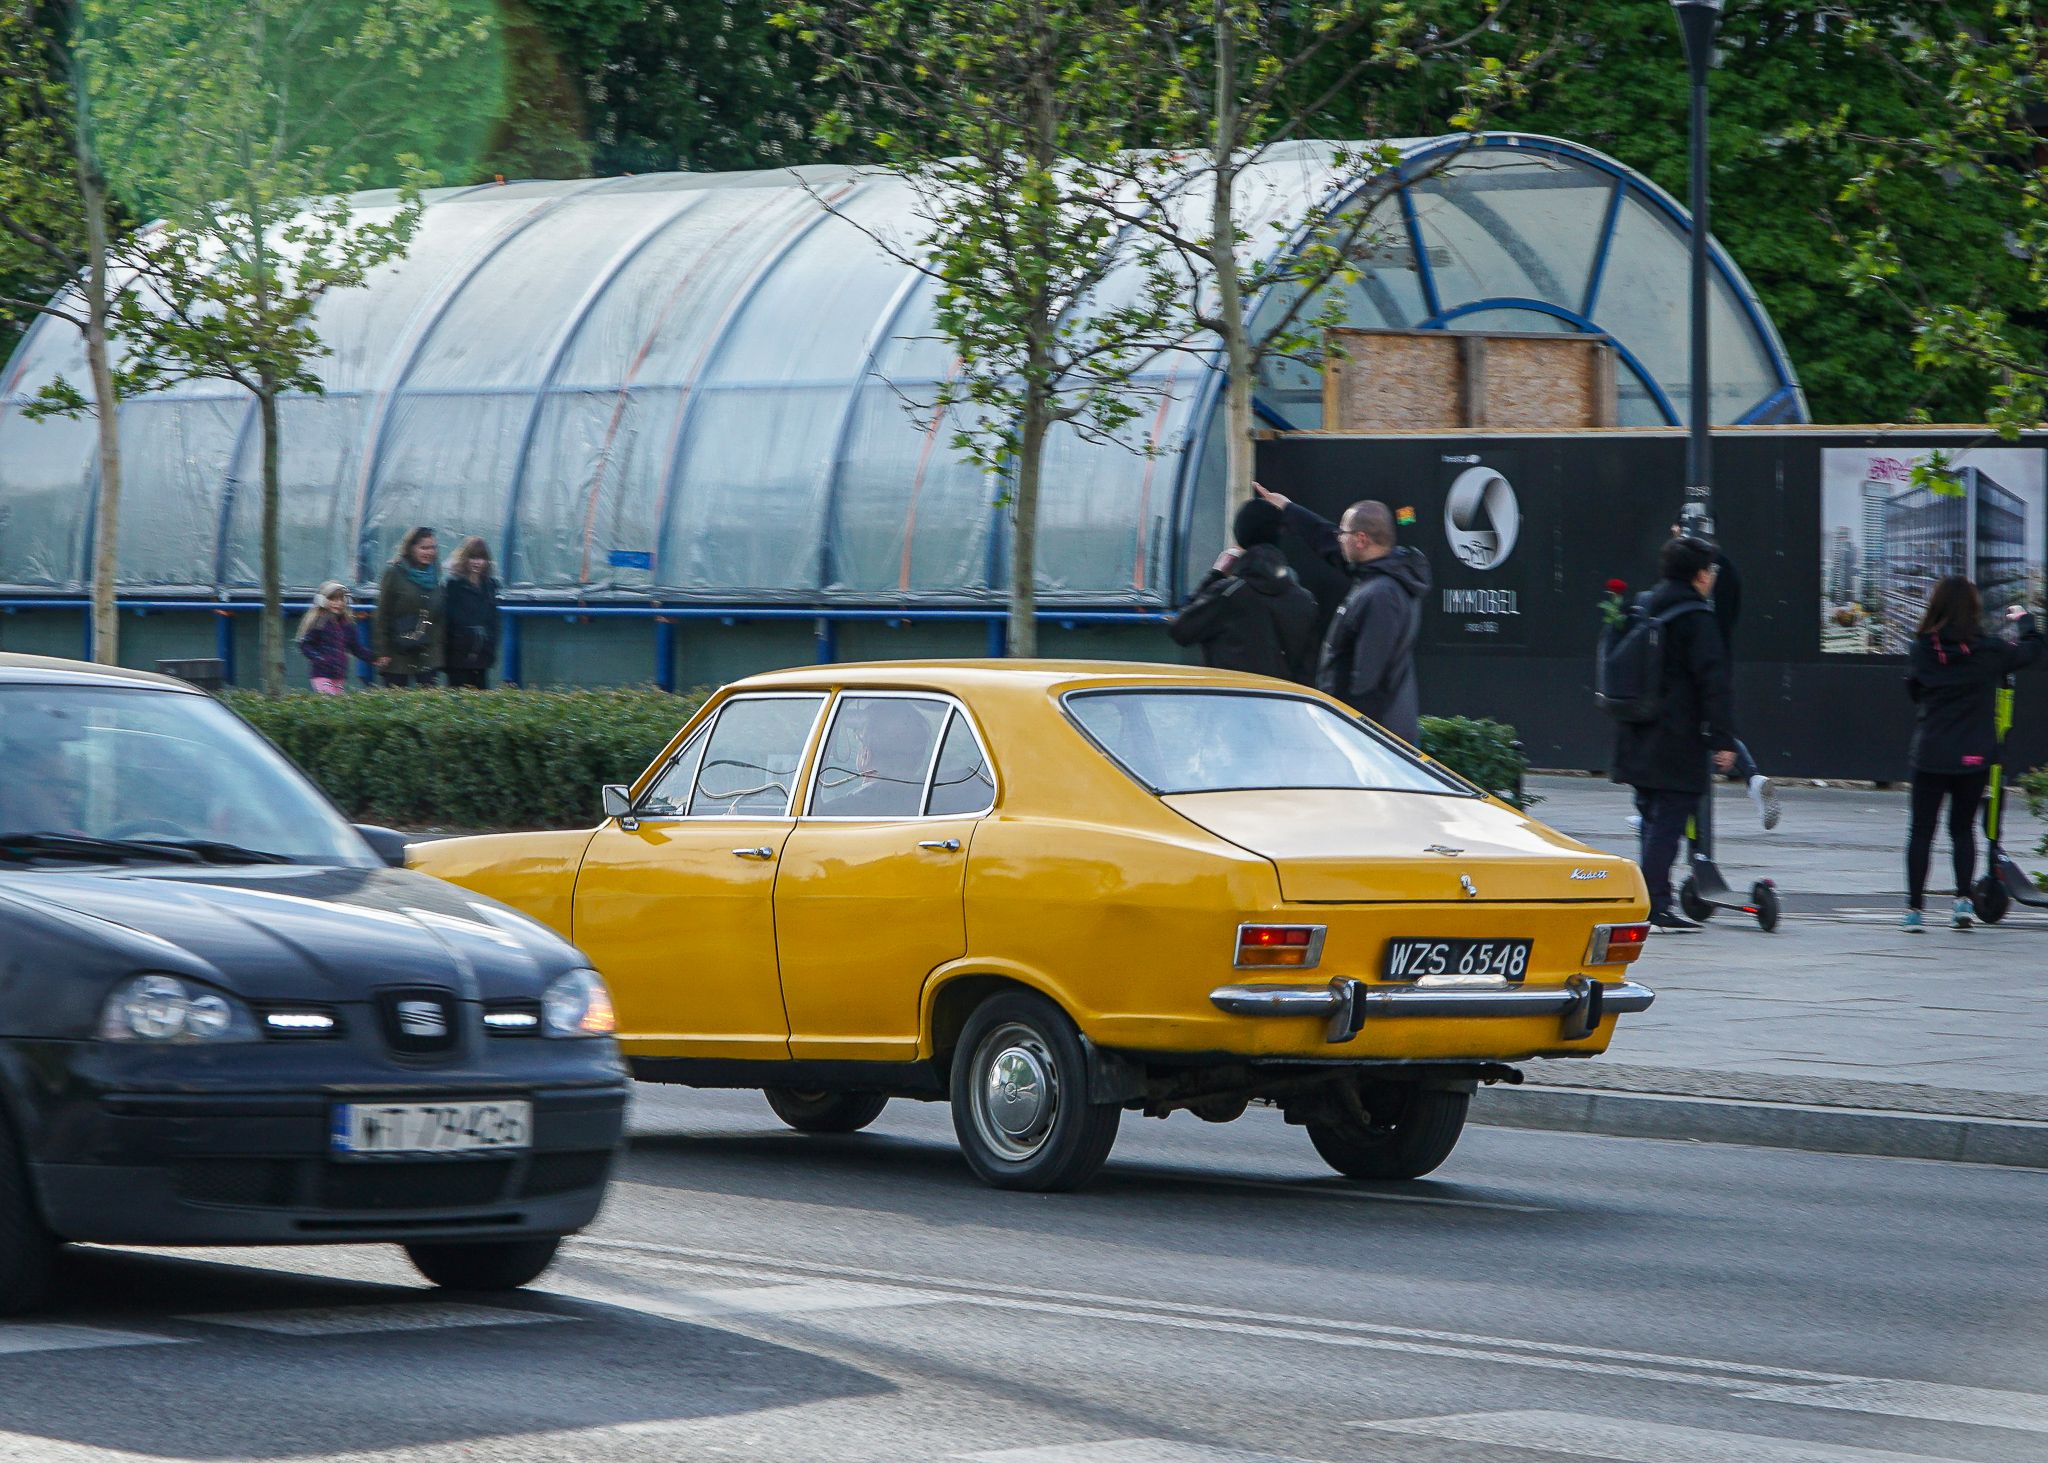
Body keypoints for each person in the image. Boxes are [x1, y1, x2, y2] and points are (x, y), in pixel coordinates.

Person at [1900, 576, 2042, 932]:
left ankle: (1915, 910)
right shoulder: (1988, 651)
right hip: (1974, 755)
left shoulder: (1921, 649)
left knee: (1921, 831)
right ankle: (1963, 903)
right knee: (1962, 830)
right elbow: (2032, 651)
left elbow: (1914, 690)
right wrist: (2024, 620)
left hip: (1931, 751)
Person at [1613, 535, 1738, 933]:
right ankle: (1652, 903)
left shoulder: (1644, 604)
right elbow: (1713, 683)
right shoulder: (1697, 618)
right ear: (1701, 575)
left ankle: (1654, 899)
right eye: (1712, 570)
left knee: (1652, 819)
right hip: (1677, 738)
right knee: (1668, 821)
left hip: (1636, 731)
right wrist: (1722, 738)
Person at [1252, 482, 1432, 745]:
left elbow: (1366, 681)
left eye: (1343, 533)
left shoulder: (1381, 594)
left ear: (1361, 540)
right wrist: (1288, 509)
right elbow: (1330, 544)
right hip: (1371, 733)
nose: (1338, 537)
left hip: (1373, 740)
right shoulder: (1380, 574)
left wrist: (1345, 735)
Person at [1166, 498, 1318, 682]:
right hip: (1283, 706)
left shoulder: (1228, 594)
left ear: (1240, 535)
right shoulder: (1305, 600)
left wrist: (1216, 574)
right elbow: (1308, 670)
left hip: (1232, 704)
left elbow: (1181, 630)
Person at [373, 527, 444, 688]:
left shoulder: (436, 576)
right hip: (398, 651)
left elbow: (439, 617)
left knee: (429, 703)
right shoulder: (394, 573)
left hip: (427, 652)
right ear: (411, 548)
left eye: (433, 547)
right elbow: (382, 614)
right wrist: (382, 651)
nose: (429, 552)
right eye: (424, 547)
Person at [294, 581, 381, 694]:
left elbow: (356, 648)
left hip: (339, 675)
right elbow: (305, 644)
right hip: (322, 674)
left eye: (341, 600)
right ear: (322, 601)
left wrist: (374, 658)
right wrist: (320, 659)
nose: (338, 603)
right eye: (333, 599)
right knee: (329, 699)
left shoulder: (347, 625)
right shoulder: (319, 622)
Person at [439, 537, 502, 690]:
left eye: (481, 558)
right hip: (457, 657)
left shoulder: (491, 586)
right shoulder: (453, 585)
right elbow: (447, 621)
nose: (477, 562)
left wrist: (490, 648)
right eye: (473, 557)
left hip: (482, 655)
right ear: (465, 558)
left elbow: (493, 621)